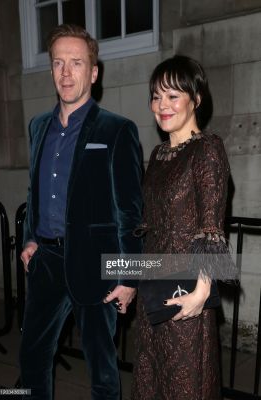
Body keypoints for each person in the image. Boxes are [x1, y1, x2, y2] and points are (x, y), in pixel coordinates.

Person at [19, 24, 142, 400]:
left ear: (93, 72)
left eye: (76, 63)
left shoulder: (118, 130)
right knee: (31, 359)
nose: (66, 73)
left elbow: (130, 211)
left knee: (102, 368)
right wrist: (29, 239)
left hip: (96, 263)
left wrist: (129, 276)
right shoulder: (38, 126)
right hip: (47, 260)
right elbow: (34, 189)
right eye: (58, 63)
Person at [131, 55, 235, 400]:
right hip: (153, 288)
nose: (162, 105)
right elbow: (151, 229)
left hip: (185, 292)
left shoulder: (207, 149)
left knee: (184, 384)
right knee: (151, 379)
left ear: (196, 98)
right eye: (156, 97)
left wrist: (203, 293)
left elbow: (211, 227)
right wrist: (131, 282)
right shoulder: (158, 156)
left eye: (173, 96)